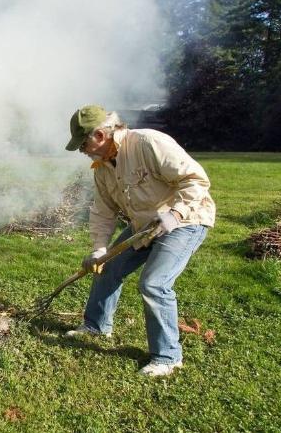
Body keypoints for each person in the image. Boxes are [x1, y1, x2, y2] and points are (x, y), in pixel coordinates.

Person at [64, 105, 216, 377]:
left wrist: (176, 213)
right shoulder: (102, 168)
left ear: (99, 135)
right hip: (145, 226)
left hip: (187, 220)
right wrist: (100, 248)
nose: (81, 151)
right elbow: (103, 211)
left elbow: (195, 180)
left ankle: (168, 357)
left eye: (83, 144)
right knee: (108, 266)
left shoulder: (148, 143)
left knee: (154, 284)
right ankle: (97, 326)